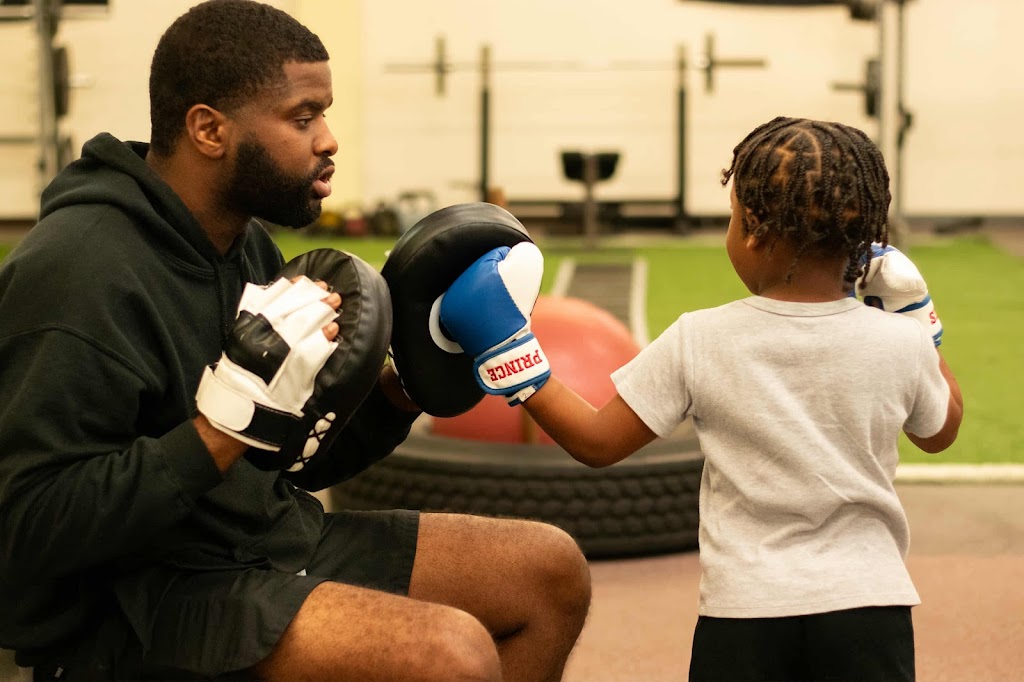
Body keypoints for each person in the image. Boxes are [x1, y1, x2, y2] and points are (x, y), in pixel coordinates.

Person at [0, 2, 591, 680]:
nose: (330, 139)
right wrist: (219, 432)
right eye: (303, 117)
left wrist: (402, 388)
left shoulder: (243, 245)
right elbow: (27, 526)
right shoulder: (77, 273)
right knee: (449, 654)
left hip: (258, 544)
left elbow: (289, 464)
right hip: (136, 604)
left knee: (549, 573)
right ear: (209, 129)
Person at [440, 116, 964, 681]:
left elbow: (597, 442)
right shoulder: (900, 342)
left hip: (747, 613)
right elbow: (940, 431)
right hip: (871, 608)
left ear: (754, 229)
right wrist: (920, 318)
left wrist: (510, 353)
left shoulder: (701, 338)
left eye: (733, 218)